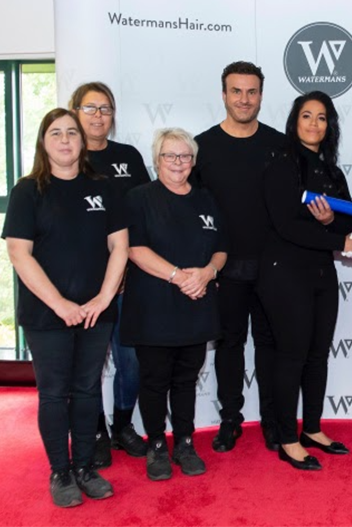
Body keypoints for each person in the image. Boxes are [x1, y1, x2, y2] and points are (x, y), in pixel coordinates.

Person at [2, 108, 128, 507]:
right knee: (54, 394)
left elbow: (119, 246)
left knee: (88, 389)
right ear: (44, 141)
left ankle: (85, 467)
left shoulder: (104, 188)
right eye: (55, 133)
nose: (65, 140)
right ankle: (60, 471)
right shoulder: (27, 191)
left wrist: (103, 299)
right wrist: (59, 304)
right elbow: (19, 254)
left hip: (96, 311)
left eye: (72, 132)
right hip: (46, 314)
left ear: (82, 141)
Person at [258, 91, 352, 471]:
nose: (314, 124)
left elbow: (349, 221)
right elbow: (286, 226)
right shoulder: (281, 165)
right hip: (284, 273)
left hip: (322, 273)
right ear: (295, 122)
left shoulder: (332, 172)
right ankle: (287, 438)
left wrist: (331, 222)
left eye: (321, 117)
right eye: (306, 116)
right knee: (292, 355)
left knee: (318, 355)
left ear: (329, 126)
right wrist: (339, 239)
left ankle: (312, 429)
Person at [121, 128, 227, 481]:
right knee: (154, 380)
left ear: (193, 161)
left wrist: (209, 272)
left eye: (185, 156)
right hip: (153, 308)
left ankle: (184, 443)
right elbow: (135, 250)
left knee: (185, 379)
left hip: (197, 305)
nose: (178, 162)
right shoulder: (139, 198)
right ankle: (156, 445)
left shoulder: (207, 199)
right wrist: (180, 277)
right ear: (157, 159)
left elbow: (222, 248)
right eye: (170, 155)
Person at [193, 61, 285, 453]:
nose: (244, 99)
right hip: (223, 268)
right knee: (229, 347)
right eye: (236, 91)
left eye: (251, 92)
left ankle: (271, 421)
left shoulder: (280, 144)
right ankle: (230, 420)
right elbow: (191, 212)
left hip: (272, 268)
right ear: (224, 94)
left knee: (269, 346)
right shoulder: (202, 147)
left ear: (261, 96)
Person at [68, 82, 151, 469]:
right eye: (90, 108)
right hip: (84, 284)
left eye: (105, 108)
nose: (98, 116)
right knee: (87, 366)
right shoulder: (67, 159)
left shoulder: (128, 157)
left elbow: (148, 211)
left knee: (130, 362)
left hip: (129, 281)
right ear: (75, 111)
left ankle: (122, 425)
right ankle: (96, 432)